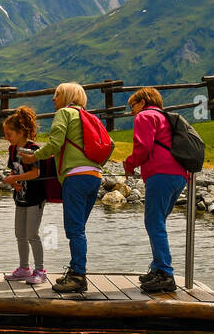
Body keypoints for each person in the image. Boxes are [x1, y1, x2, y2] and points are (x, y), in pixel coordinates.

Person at [19, 83, 105, 293]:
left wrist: (33, 156)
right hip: (94, 176)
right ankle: (77, 271)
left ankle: (77, 276)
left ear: (67, 96)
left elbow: (55, 143)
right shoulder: (90, 117)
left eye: (56, 95)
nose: (53, 99)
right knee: (79, 229)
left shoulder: (64, 113)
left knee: (74, 230)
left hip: (75, 177)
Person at [122, 87, 191, 294]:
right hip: (179, 175)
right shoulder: (165, 117)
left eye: (132, 106)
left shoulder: (145, 116)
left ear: (142, 102)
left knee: (153, 222)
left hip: (160, 174)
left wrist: (129, 164)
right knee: (158, 222)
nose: (131, 111)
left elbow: (143, 148)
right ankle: (157, 268)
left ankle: (164, 273)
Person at [0, 106, 51, 285]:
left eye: (9, 134)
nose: (7, 137)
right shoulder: (12, 150)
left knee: (32, 234)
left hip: (35, 198)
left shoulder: (32, 149)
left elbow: (35, 174)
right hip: (20, 198)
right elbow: (14, 170)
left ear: (21, 132)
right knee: (19, 234)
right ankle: (24, 268)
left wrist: (15, 178)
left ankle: (40, 270)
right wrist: (14, 183)